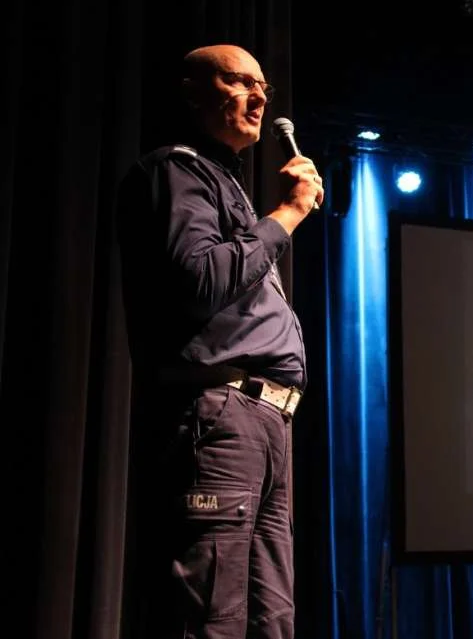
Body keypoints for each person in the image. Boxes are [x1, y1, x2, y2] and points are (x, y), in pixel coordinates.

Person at [116, 44, 323, 639]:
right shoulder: (175, 170)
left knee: (271, 617)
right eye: (240, 82)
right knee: (213, 614)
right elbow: (200, 280)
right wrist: (287, 214)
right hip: (221, 414)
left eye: (264, 88)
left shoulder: (226, 184)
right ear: (191, 93)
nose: (259, 98)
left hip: (266, 420)